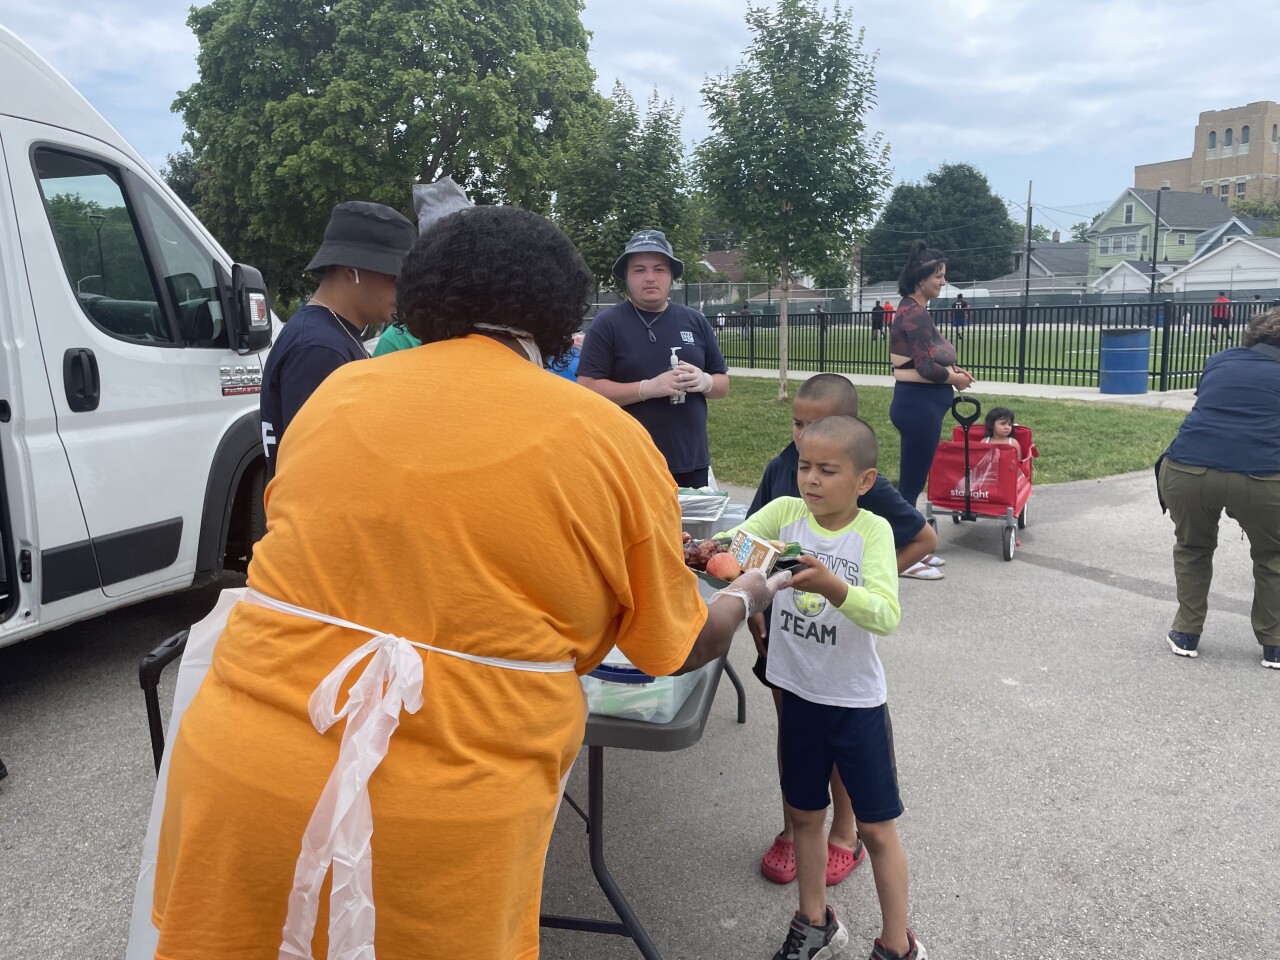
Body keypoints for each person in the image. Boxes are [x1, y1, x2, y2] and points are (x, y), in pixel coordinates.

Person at [148, 206, 794, 959]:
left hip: (236, 768)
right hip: (450, 805)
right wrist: (748, 592)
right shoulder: (605, 438)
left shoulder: (338, 396)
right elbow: (671, 648)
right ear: (560, 312)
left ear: (421, 295)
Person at [728, 415, 924, 960]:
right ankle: (813, 920)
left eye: (827, 470)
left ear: (864, 481)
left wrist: (835, 586)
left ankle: (896, 943)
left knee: (878, 829)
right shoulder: (788, 515)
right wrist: (740, 564)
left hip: (855, 705)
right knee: (804, 816)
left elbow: (885, 614)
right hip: (797, 696)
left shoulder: (872, 532)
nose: (810, 480)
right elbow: (734, 542)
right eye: (804, 467)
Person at [746, 377, 937, 883]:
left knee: (843, 741)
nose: (806, 440)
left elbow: (923, 537)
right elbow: (744, 545)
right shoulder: (782, 473)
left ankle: (844, 833)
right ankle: (796, 828)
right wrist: (754, 602)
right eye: (798, 425)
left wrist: (857, 584)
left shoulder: (862, 492)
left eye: (817, 426)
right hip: (786, 643)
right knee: (794, 734)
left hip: (840, 648)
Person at [1158, 307, 1280, 670]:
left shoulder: (1219, 359)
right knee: (1273, 556)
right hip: (1263, 476)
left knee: (1193, 547)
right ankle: (1274, 643)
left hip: (1188, 468)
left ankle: (1186, 632)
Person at [260, 201, 415, 479]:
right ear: (351, 269)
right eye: (395, 277)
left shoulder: (328, 334)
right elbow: (316, 470)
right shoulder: (319, 349)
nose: (403, 290)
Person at [578, 230, 730, 487]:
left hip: (690, 460)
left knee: (684, 529)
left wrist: (704, 381)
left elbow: (722, 385)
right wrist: (647, 388)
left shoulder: (694, 321)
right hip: (628, 462)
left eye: (659, 269)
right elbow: (587, 388)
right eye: (639, 270)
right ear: (626, 276)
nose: (650, 278)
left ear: (672, 276)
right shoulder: (608, 324)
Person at [889, 240, 975, 509]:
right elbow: (925, 367)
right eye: (938, 276)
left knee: (911, 482)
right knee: (911, 486)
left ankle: (903, 534)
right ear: (920, 279)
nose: (943, 281)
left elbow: (919, 360)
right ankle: (903, 540)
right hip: (919, 407)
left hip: (919, 405)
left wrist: (950, 369)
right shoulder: (915, 314)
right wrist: (956, 379)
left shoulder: (911, 308)